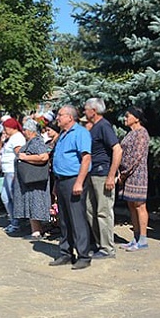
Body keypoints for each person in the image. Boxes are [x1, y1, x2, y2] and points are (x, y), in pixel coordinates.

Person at [49, 105, 95, 270]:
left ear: (70, 117)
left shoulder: (80, 133)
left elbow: (86, 159)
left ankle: (83, 255)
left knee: (77, 219)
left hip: (73, 180)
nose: (58, 118)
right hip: (61, 181)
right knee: (64, 219)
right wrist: (55, 184)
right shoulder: (62, 134)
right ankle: (66, 253)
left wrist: (79, 182)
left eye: (60, 115)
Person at [83, 98, 123, 259]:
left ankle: (108, 248)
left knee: (103, 211)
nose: (84, 111)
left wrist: (111, 175)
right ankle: (100, 244)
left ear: (94, 110)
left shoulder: (104, 126)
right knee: (90, 209)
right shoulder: (94, 127)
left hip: (103, 174)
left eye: (86, 109)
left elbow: (117, 150)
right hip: (92, 174)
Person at [118, 106, 150, 251]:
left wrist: (123, 172)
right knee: (131, 205)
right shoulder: (130, 133)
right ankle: (136, 237)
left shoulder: (141, 133)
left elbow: (135, 157)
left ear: (136, 118)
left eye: (128, 116)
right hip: (127, 174)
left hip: (137, 174)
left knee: (139, 205)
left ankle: (143, 239)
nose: (125, 118)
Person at [13, 119, 51, 240]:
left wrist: (25, 157)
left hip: (34, 180)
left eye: (25, 129)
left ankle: (36, 232)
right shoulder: (32, 141)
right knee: (31, 203)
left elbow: (44, 156)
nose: (23, 132)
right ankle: (36, 230)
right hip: (30, 180)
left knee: (35, 203)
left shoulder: (37, 141)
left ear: (31, 131)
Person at [0, 117, 26, 233]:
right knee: (5, 197)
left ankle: (16, 222)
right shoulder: (11, 138)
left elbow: (19, 154)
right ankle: (13, 219)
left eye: (6, 128)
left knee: (12, 196)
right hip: (7, 170)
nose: (4, 130)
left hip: (12, 170)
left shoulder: (17, 138)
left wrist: (17, 171)